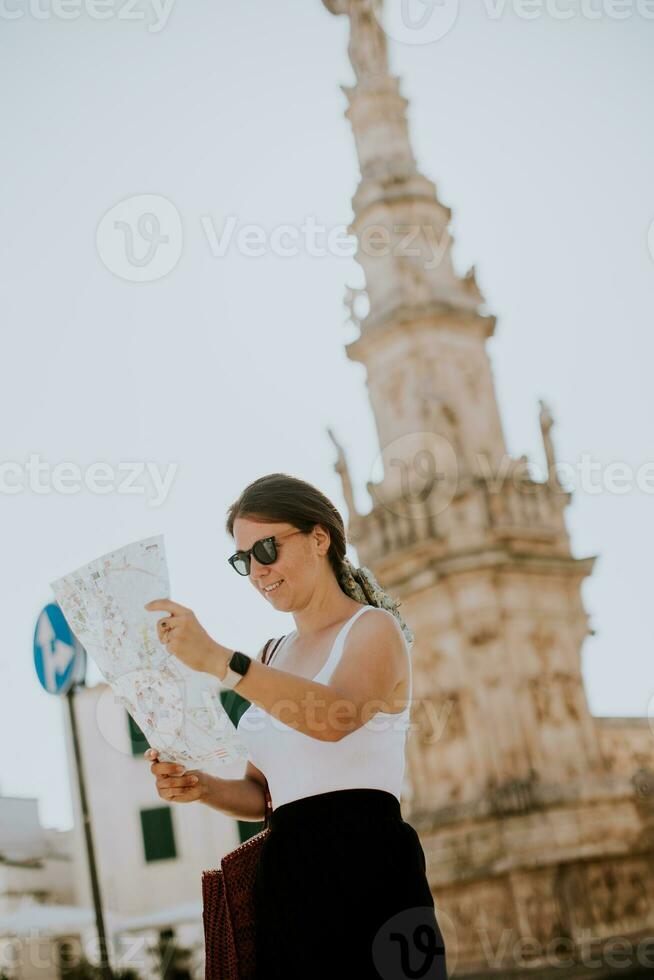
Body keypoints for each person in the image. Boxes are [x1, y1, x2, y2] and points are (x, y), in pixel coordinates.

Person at [145, 472, 449, 979]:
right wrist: (198, 786)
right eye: (244, 560)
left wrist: (221, 662)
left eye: (267, 549)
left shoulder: (373, 628)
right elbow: (261, 795)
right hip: (286, 880)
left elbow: (334, 718)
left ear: (319, 538)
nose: (258, 571)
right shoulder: (270, 654)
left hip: (370, 867)